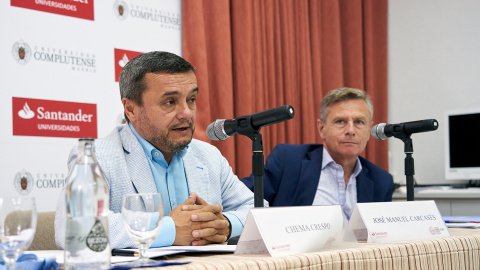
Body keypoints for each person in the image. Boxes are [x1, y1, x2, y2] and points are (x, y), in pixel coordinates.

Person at [55, 51, 257, 249]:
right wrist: (169, 229)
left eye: (191, 99)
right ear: (131, 109)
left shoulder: (208, 155)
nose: (186, 113)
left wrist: (225, 226)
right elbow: (75, 227)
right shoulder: (97, 157)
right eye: (170, 102)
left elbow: (258, 209)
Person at [241, 87, 394, 219]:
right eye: (340, 121)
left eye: (359, 122)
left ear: (369, 130)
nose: (351, 131)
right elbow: (240, 199)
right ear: (322, 129)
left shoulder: (381, 181)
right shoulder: (288, 161)